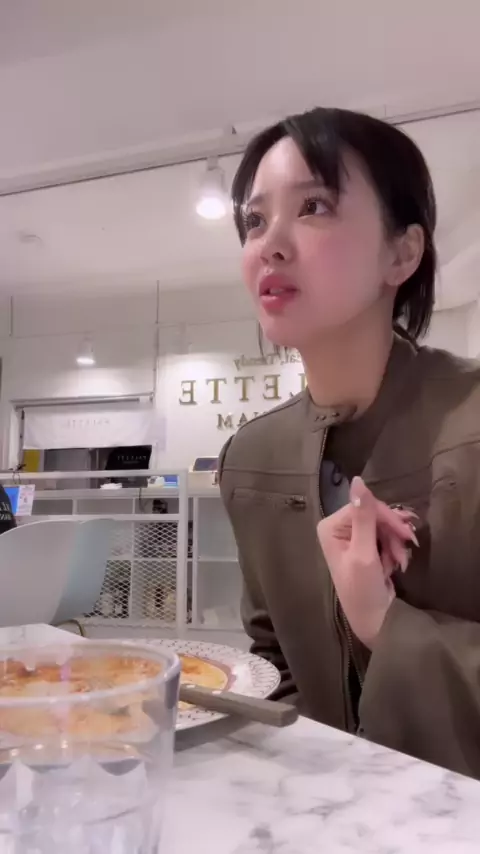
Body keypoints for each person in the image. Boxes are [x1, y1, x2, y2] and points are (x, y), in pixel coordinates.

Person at [218, 106, 480, 779]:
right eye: (255, 220)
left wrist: (386, 624)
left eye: (314, 206)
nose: (270, 245)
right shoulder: (252, 458)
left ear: (402, 253)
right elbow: (272, 664)